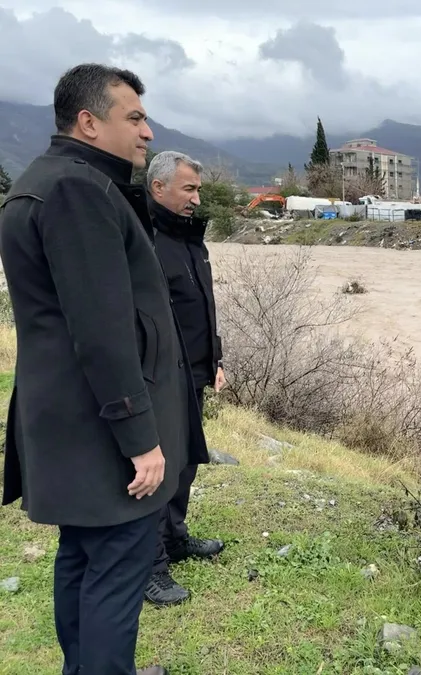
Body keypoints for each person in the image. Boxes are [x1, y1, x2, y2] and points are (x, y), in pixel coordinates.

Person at [0, 63, 206, 675]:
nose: (148, 132)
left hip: (73, 417)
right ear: (89, 122)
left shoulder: (50, 180)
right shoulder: (78, 191)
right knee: (117, 567)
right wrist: (141, 439)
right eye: (135, 117)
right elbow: (102, 332)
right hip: (100, 428)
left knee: (84, 556)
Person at [144, 150, 225, 606]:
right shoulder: (146, 238)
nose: (196, 198)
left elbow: (201, 307)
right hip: (160, 376)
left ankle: (174, 538)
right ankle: (150, 565)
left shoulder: (190, 237)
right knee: (158, 467)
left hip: (193, 370)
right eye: (188, 189)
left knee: (186, 461)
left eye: (198, 189)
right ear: (158, 187)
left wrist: (216, 359)